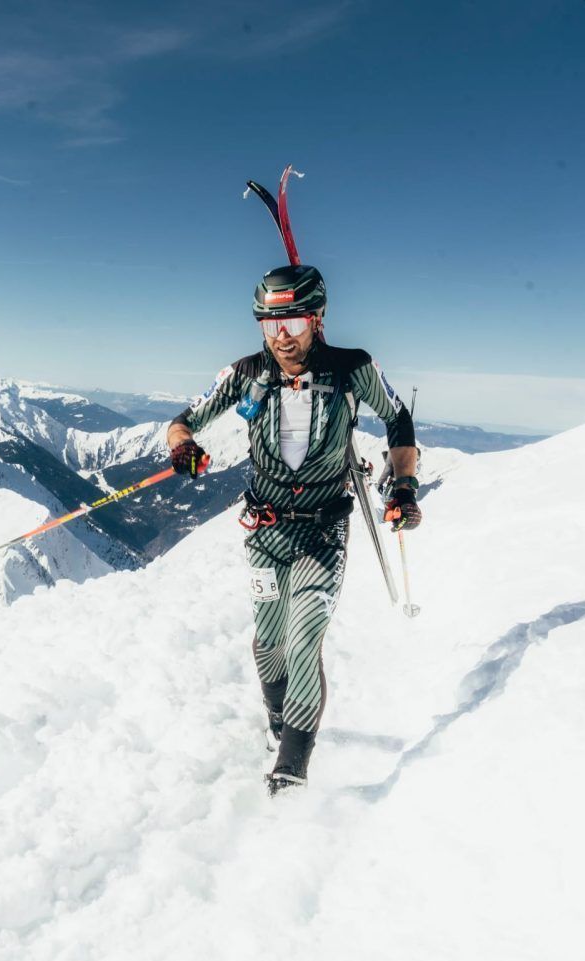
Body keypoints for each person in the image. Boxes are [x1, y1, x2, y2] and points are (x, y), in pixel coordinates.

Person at [165, 264, 422, 796]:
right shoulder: (244, 373)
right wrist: (182, 446)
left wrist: (403, 486)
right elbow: (183, 419)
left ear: (317, 319)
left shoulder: (353, 369)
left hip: (323, 531)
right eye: (270, 324)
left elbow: (398, 420)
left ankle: (292, 767)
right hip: (264, 527)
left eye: (294, 322)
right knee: (269, 645)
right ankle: (279, 724)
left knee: (304, 640)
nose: (281, 336)